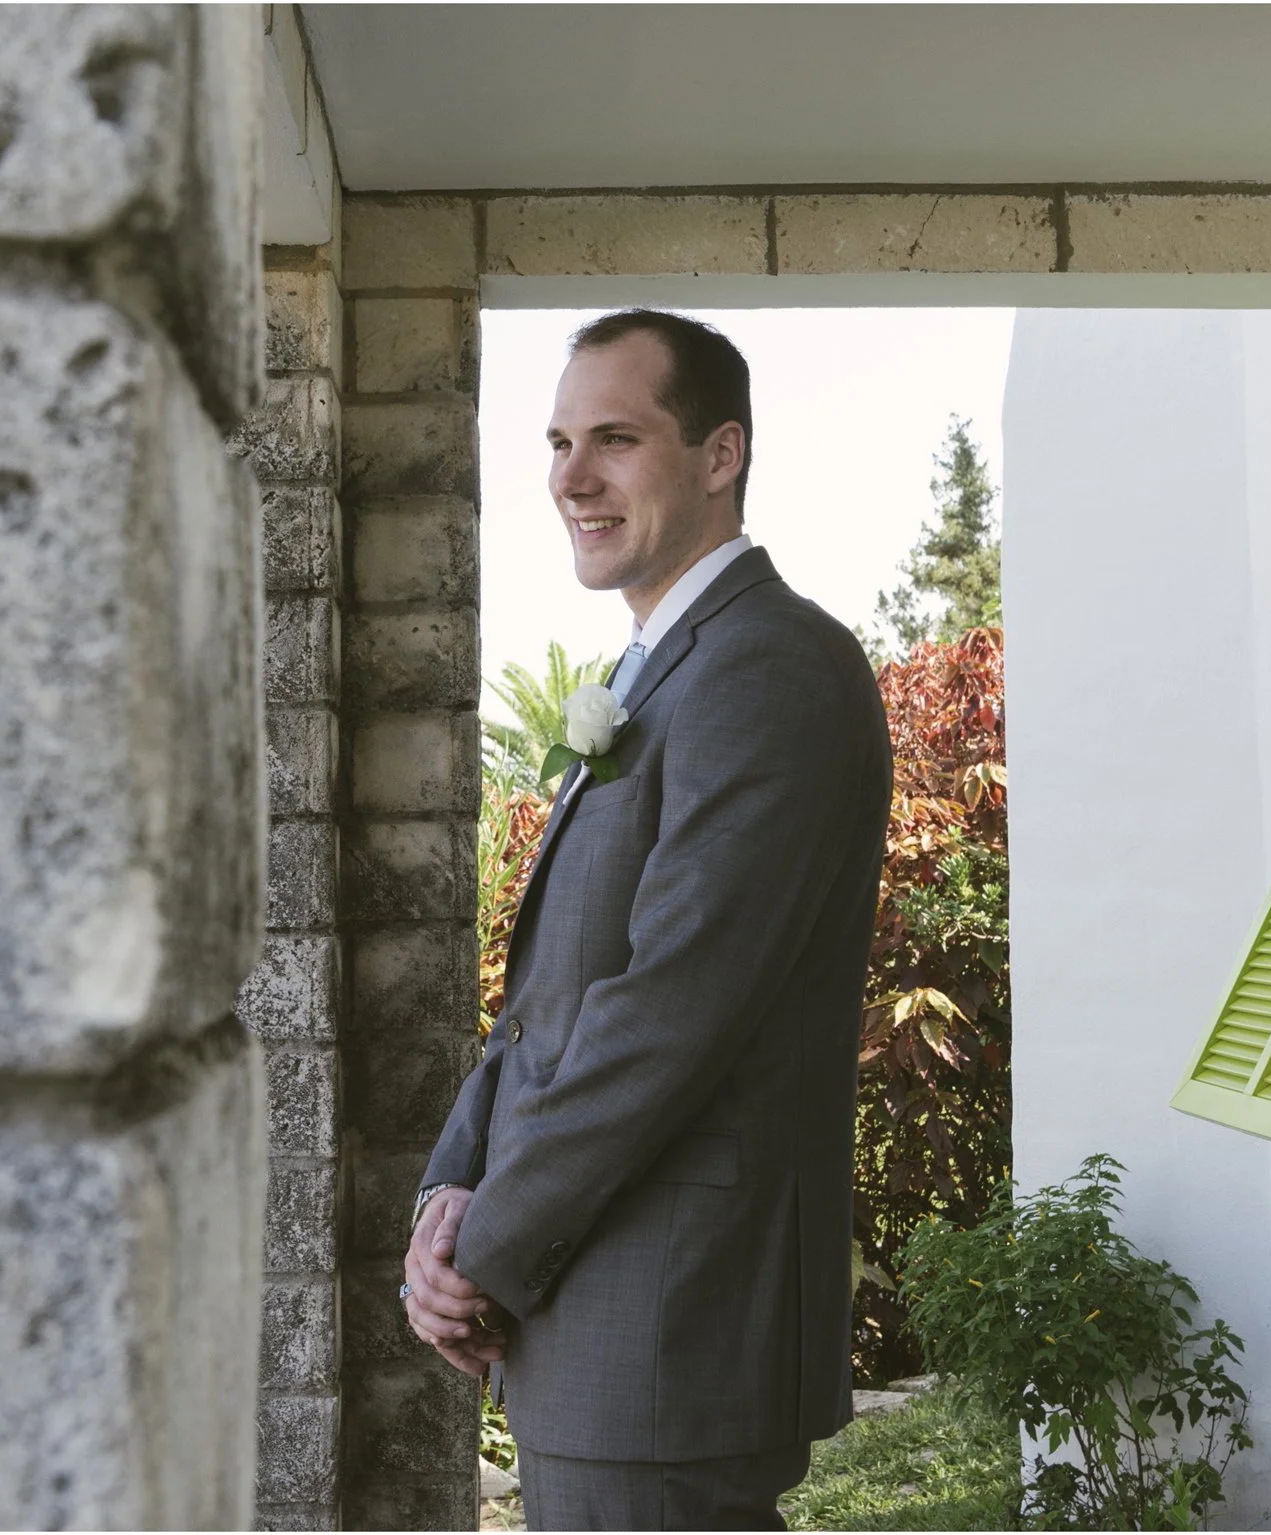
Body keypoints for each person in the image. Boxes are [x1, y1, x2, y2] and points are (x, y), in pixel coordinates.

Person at [400, 309, 892, 1531]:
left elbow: (669, 1005)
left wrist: (483, 1245)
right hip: (609, 1314)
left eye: (614, 437)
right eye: (560, 440)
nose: (571, 477)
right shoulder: (652, 673)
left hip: (670, 1320)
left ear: (719, 454)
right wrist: (446, 1188)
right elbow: (544, 1004)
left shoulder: (767, 666)